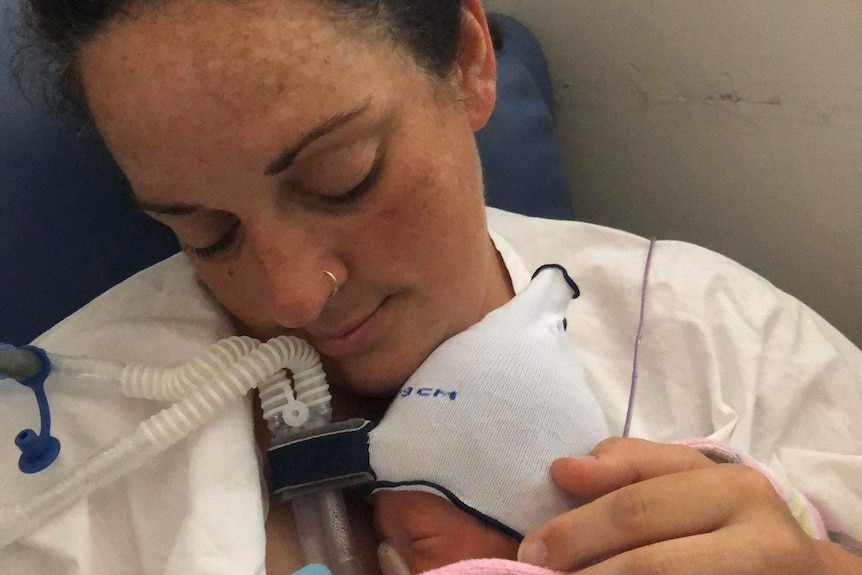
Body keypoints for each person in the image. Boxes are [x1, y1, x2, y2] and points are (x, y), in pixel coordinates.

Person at [9, 0, 862, 574]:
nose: (296, 296)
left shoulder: (712, 331)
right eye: (207, 232)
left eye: (342, 177)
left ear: (467, 61)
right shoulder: (59, 444)